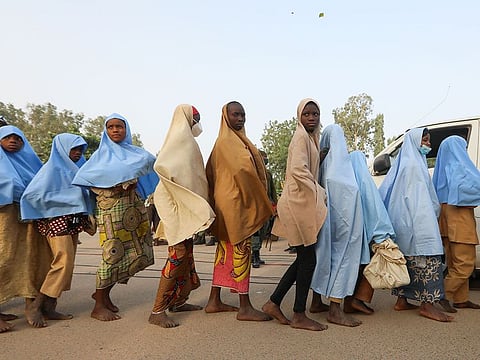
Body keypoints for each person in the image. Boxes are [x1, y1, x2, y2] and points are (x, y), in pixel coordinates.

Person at [72, 113, 156, 321]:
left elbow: (152, 164)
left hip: (133, 210)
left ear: (127, 130)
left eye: (120, 126)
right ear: (105, 131)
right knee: (112, 254)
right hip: (111, 212)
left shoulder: (136, 154)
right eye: (111, 127)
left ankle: (104, 296)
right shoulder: (99, 158)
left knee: (134, 252)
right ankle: (98, 305)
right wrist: (116, 185)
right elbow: (87, 180)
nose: (116, 130)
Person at [262, 98, 328, 331]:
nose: (311, 118)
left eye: (315, 114)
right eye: (307, 114)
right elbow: (299, 170)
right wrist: (319, 190)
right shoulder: (300, 137)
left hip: (300, 203)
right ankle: (299, 314)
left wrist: (319, 157)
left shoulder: (310, 139)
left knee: (304, 258)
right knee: (308, 259)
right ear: (299, 116)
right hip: (296, 203)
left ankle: (273, 302)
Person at [204, 101, 273, 321]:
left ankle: (214, 300)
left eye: (243, 115)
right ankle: (244, 306)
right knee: (242, 250)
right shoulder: (227, 142)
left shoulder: (230, 141)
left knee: (224, 253)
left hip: (229, 204)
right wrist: (262, 198)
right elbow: (244, 172)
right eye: (235, 115)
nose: (240, 119)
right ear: (226, 116)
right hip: (236, 204)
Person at [148, 104, 215, 328]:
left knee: (187, 253)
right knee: (178, 253)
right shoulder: (181, 142)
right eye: (195, 118)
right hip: (174, 203)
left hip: (182, 204)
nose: (197, 122)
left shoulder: (186, 141)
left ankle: (178, 300)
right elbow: (163, 167)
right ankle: (157, 310)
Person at [20, 133, 94, 327]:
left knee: (66, 265)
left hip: (73, 222)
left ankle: (50, 306)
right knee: (64, 262)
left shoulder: (78, 170)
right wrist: (65, 201)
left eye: (80, 150)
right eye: (74, 149)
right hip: (56, 223)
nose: (78, 153)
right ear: (62, 148)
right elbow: (31, 196)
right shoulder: (50, 170)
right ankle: (35, 305)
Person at [379, 128, 453, 322]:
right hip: (419, 223)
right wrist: (427, 225)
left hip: (406, 224)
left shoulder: (407, 162)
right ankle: (428, 305)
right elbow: (417, 200)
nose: (428, 144)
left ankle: (402, 301)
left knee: (408, 263)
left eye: (428, 141)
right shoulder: (413, 165)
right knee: (428, 262)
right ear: (414, 142)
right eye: (425, 141)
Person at [310, 124, 363, 327]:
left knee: (321, 259)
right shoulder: (342, 174)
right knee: (342, 261)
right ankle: (335, 309)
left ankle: (316, 301)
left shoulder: (321, 169)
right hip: (343, 231)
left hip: (323, 227)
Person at [0, 125, 51, 332]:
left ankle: (33, 305)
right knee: (3, 258)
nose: (13, 141)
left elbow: (43, 185)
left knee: (29, 259)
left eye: (18, 138)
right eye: (7, 137)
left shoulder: (31, 164)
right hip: (4, 218)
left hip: (28, 219)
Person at [343, 150, 397, 315]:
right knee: (366, 265)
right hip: (365, 232)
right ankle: (356, 300)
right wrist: (383, 232)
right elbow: (375, 208)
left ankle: (349, 301)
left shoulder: (345, 181)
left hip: (350, 233)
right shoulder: (365, 182)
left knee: (354, 266)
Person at [432, 135, 480, 312]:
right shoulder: (460, 168)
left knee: (454, 262)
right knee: (465, 264)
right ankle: (440, 296)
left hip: (445, 217)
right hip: (458, 219)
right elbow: (471, 189)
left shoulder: (443, 170)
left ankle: (461, 299)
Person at [251, 150, 277, 268]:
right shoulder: (252, 173)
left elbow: (272, 191)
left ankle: (256, 254)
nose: (265, 160)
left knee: (263, 232)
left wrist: (274, 205)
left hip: (266, 208)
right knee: (255, 233)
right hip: (255, 209)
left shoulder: (268, 174)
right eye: (263, 157)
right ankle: (255, 256)